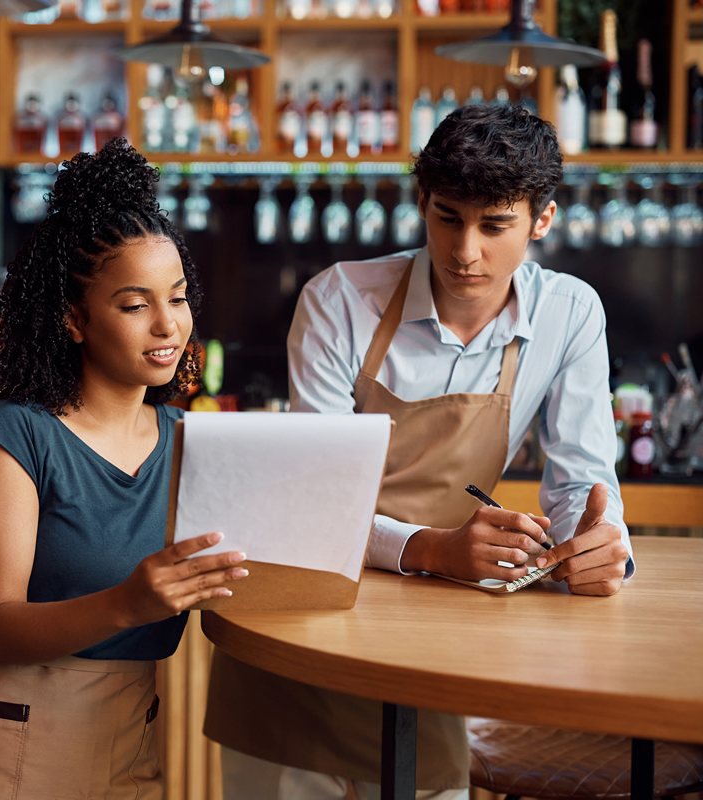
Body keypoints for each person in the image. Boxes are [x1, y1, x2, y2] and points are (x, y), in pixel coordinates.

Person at [205, 104, 635, 800]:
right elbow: (310, 501)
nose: (466, 250)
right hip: (301, 616)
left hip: (429, 630)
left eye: (495, 225)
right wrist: (433, 550)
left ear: (542, 220)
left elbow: (582, 479)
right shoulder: (340, 300)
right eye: (447, 217)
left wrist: (599, 538)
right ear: (421, 204)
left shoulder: (570, 314)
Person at [0, 139, 248, 800]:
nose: (166, 325)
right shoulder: (18, 439)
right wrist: (129, 602)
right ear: (72, 320)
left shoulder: (190, 442)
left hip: (131, 736)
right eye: (134, 305)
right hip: (11, 746)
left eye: (177, 299)